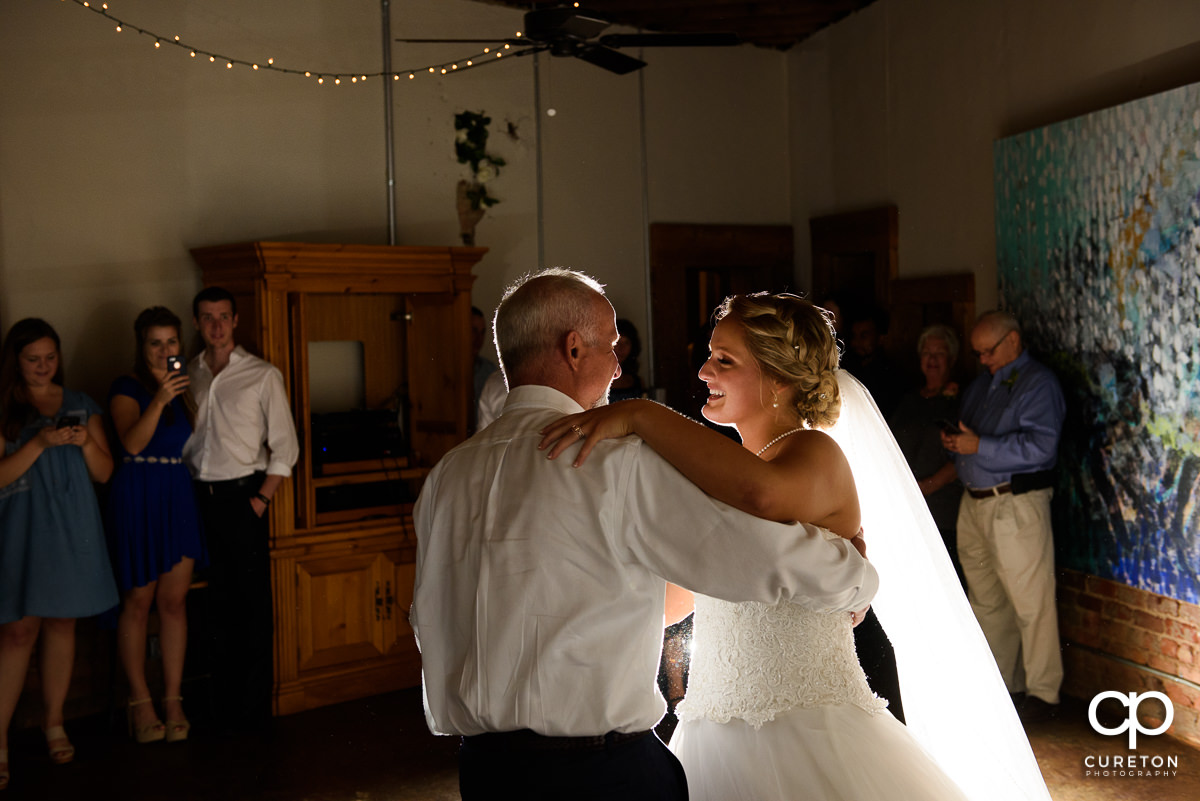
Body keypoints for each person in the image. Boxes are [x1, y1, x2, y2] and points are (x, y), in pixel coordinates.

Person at [542, 293, 1053, 801]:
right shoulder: (733, 471)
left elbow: (761, 494)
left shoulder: (812, 451)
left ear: (779, 380)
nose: (703, 371)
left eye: (724, 360)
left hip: (810, 732)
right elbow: (679, 595)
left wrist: (640, 415)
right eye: (710, 356)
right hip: (713, 731)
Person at [410, 269, 877, 801]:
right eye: (612, 347)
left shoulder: (446, 475)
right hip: (599, 772)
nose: (619, 366)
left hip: (484, 772)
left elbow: (431, 615)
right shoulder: (614, 460)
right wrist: (854, 573)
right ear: (573, 350)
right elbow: (753, 556)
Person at [0, 318, 119, 787]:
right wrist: (39, 443)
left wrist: (85, 441)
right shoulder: (5, 407)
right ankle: (0, 738)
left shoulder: (81, 403)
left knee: (62, 621)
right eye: (33, 359)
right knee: (17, 631)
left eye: (50, 357)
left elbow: (105, 473)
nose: (43, 366)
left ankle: (54, 723)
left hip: (72, 525)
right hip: (22, 527)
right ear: (15, 361)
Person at [183, 287, 298, 731]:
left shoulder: (261, 375)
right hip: (197, 497)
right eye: (207, 317)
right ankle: (216, 708)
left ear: (235, 320)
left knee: (248, 605)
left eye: (223, 317)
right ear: (197, 322)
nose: (216, 326)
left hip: (242, 498)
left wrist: (259, 500)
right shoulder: (188, 374)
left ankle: (250, 715)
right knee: (209, 604)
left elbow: (286, 447)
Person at [942, 310, 1066, 724]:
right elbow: (972, 437)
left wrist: (979, 447)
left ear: (1013, 340)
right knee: (987, 601)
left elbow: (1042, 448)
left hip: (1014, 504)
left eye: (988, 351)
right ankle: (1004, 691)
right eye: (977, 353)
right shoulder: (980, 385)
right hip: (974, 503)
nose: (983, 360)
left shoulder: (1038, 384)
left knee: (1031, 602)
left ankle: (1044, 696)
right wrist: (957, 442)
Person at [106, 307, 208, 743]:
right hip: (138, 492)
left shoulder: (184, 388)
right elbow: (131, 443)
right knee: (138, 600)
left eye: (171, 342)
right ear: (142, 346)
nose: (165, 350)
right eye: (155, 343)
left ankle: (172, 698)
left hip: (175, 491)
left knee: (174, 602)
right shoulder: (126, 387)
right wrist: (161, 398)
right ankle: (140, 701)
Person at [889, 323, 965, 587]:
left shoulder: (959, 401)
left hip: (942, 510)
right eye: (926, 353)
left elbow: (962, 458)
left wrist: (926, 487)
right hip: (907, 509)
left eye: (939, 353)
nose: (932, 359)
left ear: (951, 359)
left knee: (944, 583)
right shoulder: (909, 400)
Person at [609, 318, 646, 402]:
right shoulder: (595, 380)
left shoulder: (637, 382)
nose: (621, 348)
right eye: (618, 342)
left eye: (626, 343)